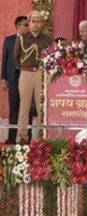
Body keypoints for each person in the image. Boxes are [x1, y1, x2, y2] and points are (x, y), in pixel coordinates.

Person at [14, 11, 52, 144]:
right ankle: (23, 136)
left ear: (42, 23)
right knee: (24, 106)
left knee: (42, 106)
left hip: (42, 74)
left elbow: (51, 57)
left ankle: (43, 136)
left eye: (38, 21)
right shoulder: (22, 38)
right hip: (26, 73)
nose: (36, 24)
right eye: (33, 21)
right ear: (28, 23)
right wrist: (24, 69)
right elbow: (16, 57)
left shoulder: (47, 39)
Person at [1, 16, 28, 144]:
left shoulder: (30, 40)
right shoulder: (9, 40)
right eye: (25, 25)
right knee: (14, 108)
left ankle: (25, 138)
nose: (27, 27)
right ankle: (11, 138)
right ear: (18, 26)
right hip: (13, 78)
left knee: (26, 108)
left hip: (27, 78)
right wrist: (3, 78)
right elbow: (4, 60)